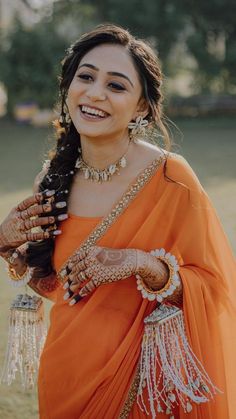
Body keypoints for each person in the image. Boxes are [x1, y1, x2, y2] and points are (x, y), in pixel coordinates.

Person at [0, 24, 235, 419]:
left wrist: (141, 264)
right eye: (86, 76)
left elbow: (212, 291)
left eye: (117, 85)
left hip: (148, 386)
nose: (94, 94)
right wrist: (7, 245)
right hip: (67, 373)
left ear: (142, 106)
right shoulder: (52, 179)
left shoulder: (170, 178)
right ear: (69, 86)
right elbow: (61, 288)